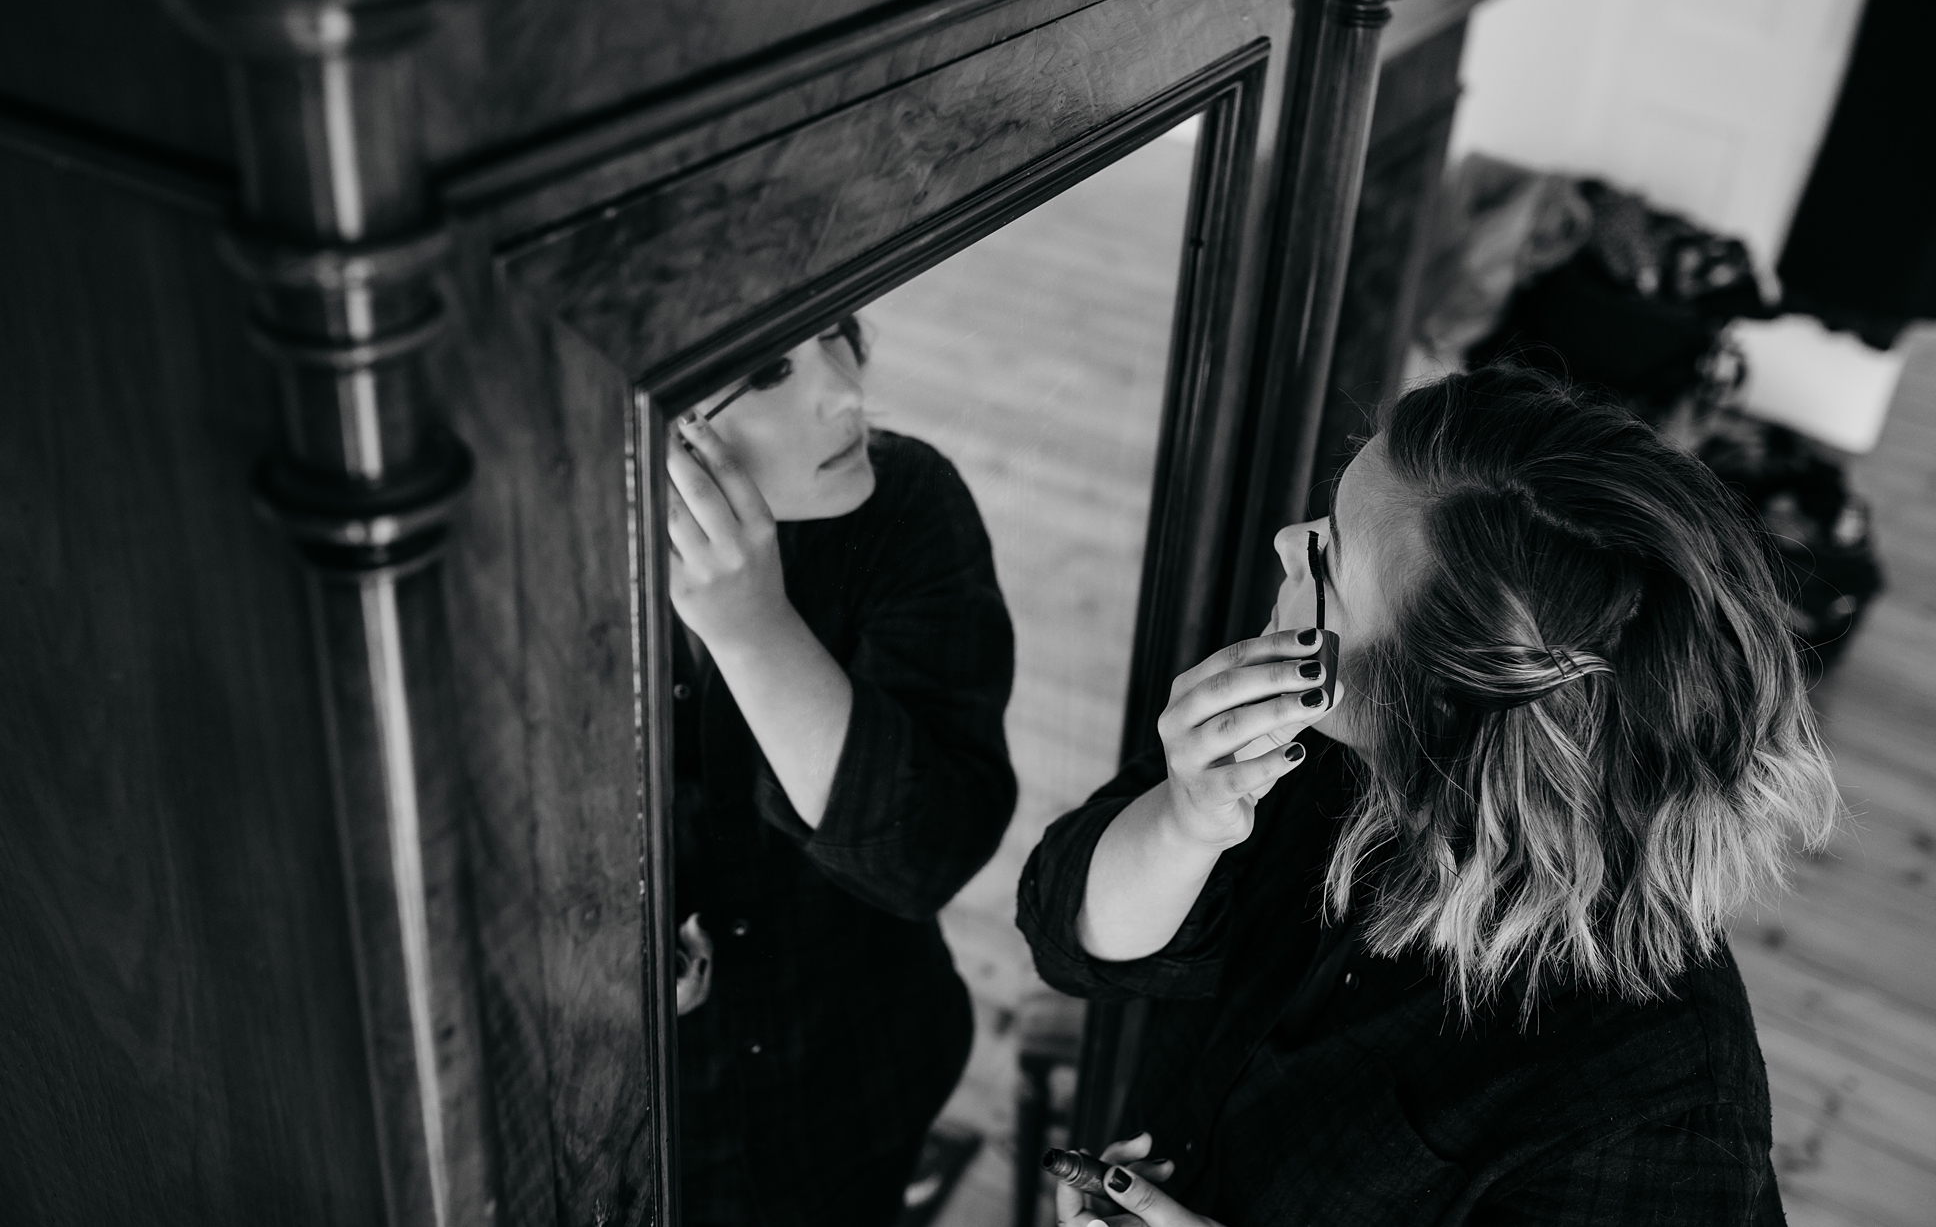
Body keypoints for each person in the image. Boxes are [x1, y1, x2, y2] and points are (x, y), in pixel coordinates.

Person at [1018, 364, 1839, 1226]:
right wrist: (1184, 820)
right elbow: (1067, 937)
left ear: (1435, 713)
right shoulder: (1315, 745)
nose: (1287, 541)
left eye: (1326, 556)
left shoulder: (1657, 1119)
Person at [664, 316, 1017, 1227]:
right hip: (659, 1127)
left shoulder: (907, 503)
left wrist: (753, 628)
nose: (847, 389)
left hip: (854, 1076)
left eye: (839, 334)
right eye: (772, 368)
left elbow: (928, 855)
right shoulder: (533, 567)